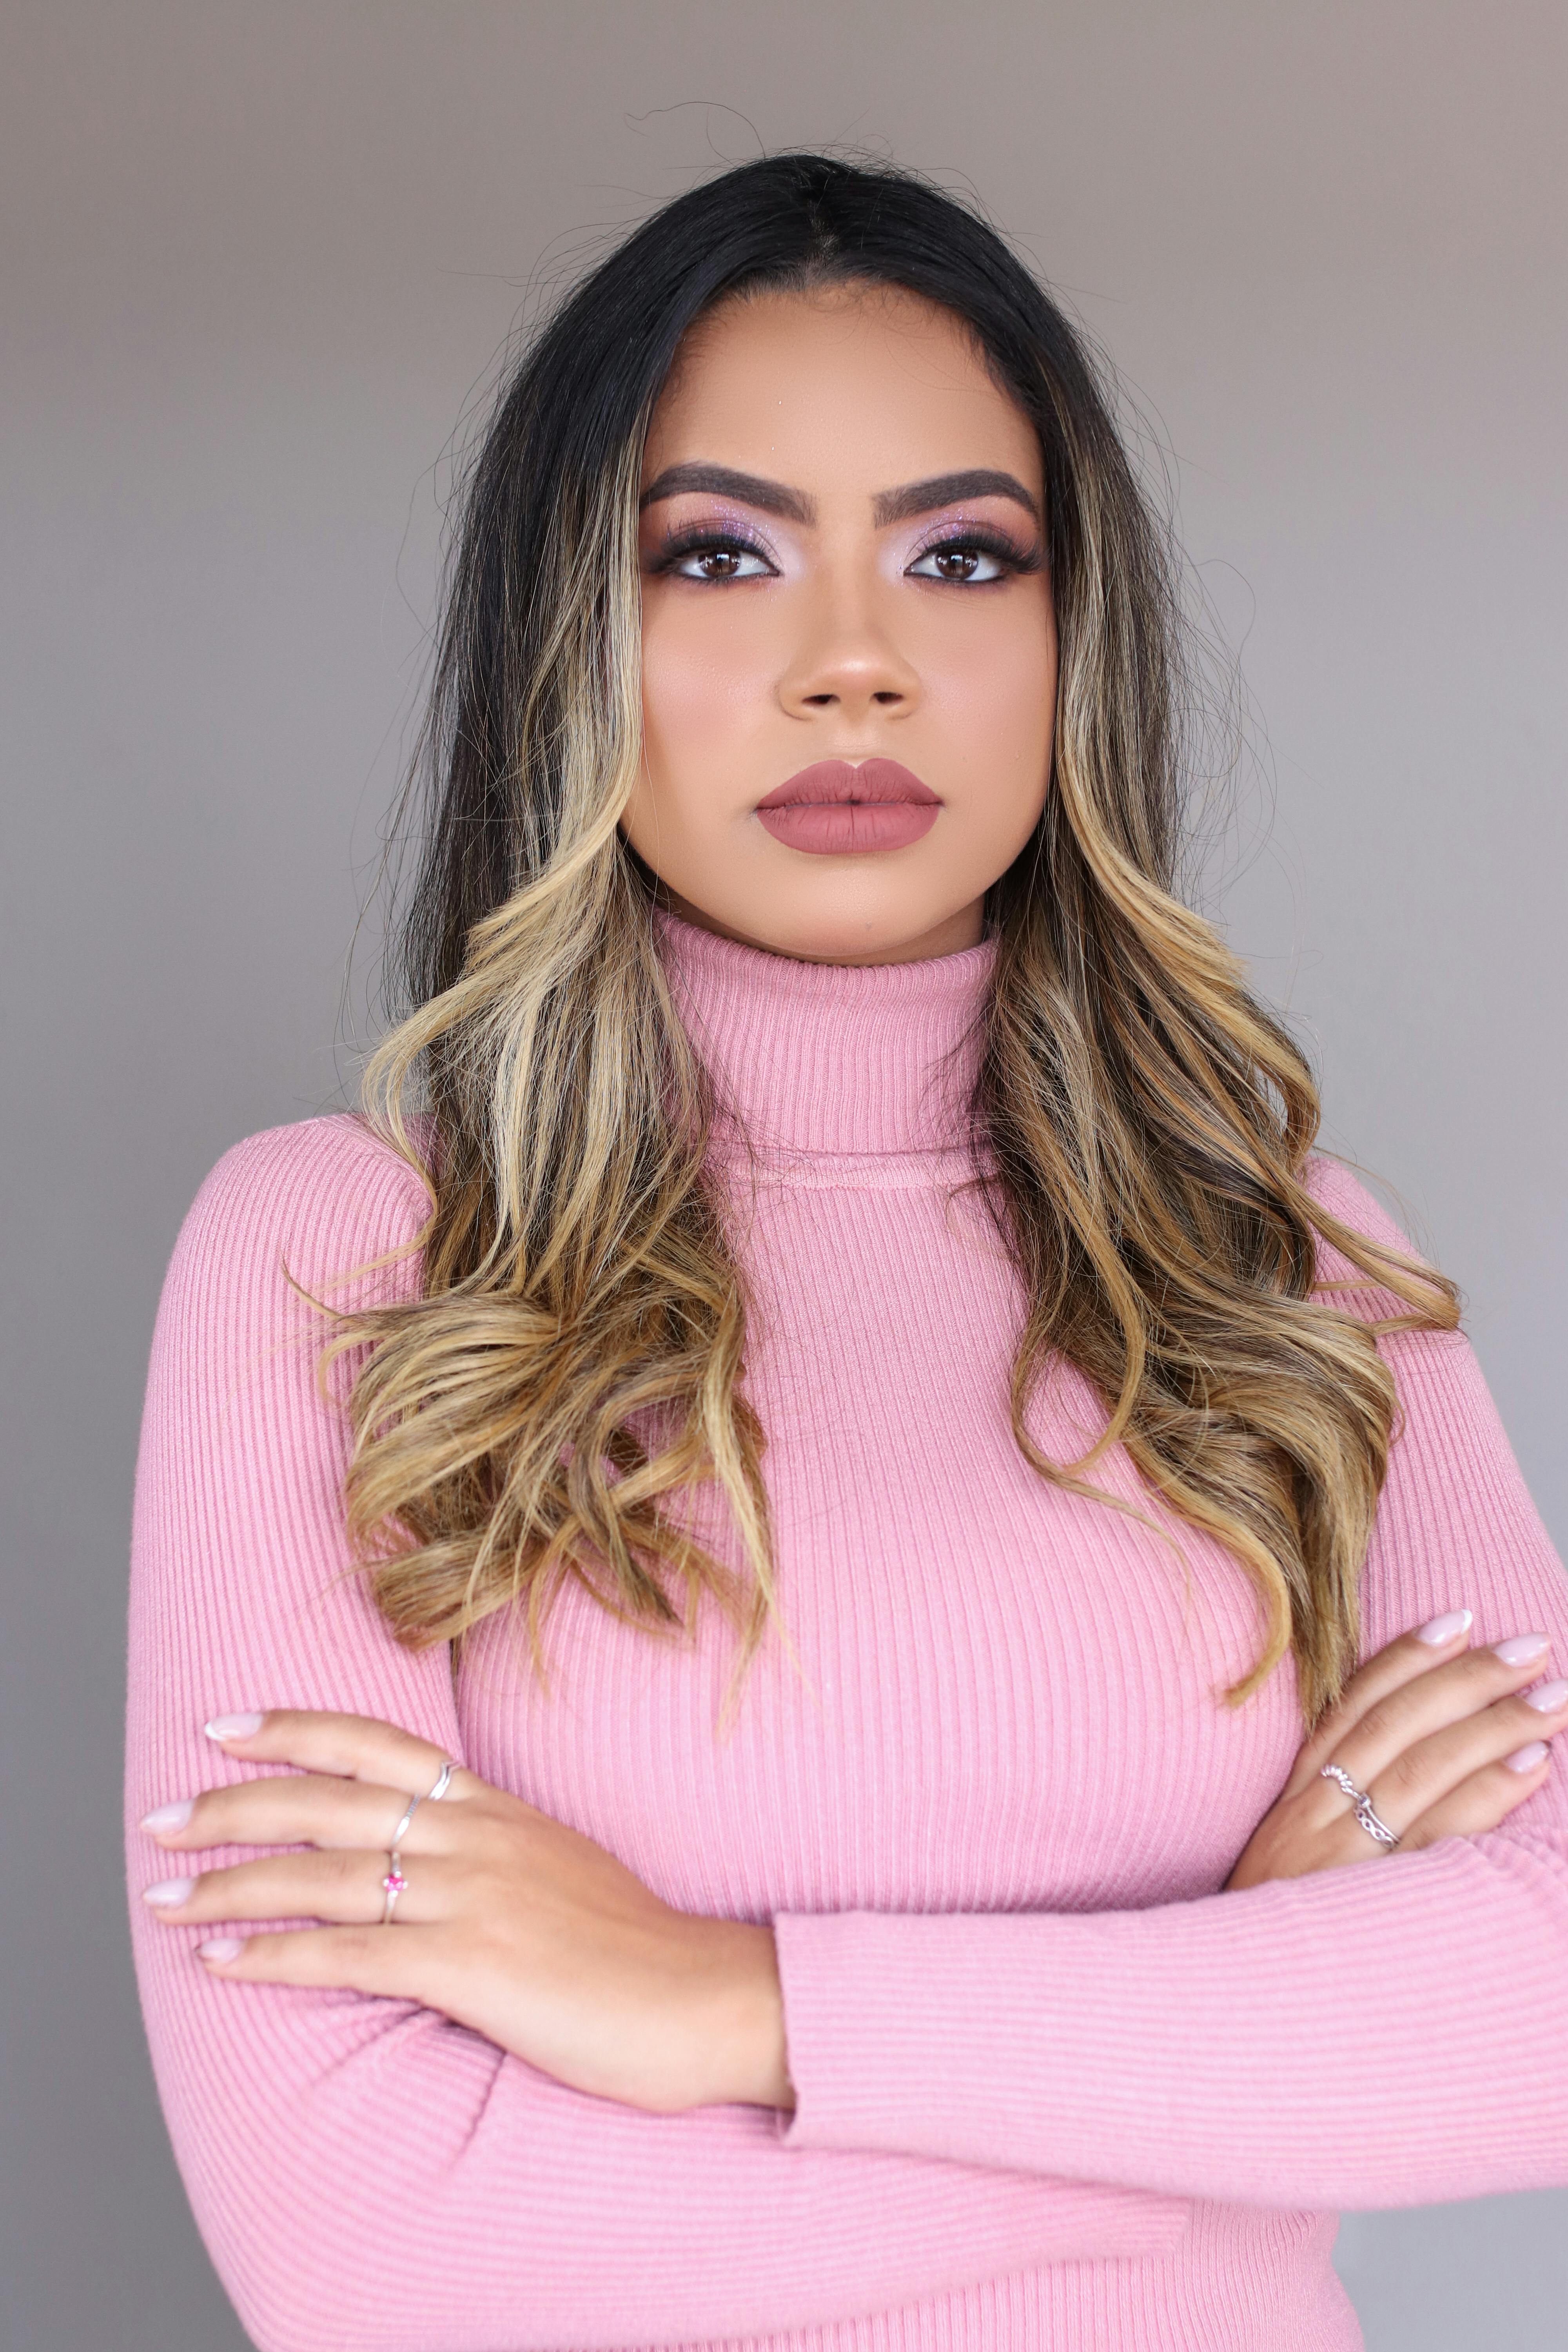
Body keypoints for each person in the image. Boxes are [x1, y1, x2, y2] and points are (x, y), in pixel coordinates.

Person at [125, 154, 1568, 2352]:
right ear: (570, 639)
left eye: (960, 556)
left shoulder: (1286, 1269)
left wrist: (727, 2004)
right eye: (719, 556)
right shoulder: (346, 1258)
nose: (856, 666)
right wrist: (1229, 2042)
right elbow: (369, 2252)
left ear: (1073, 639)